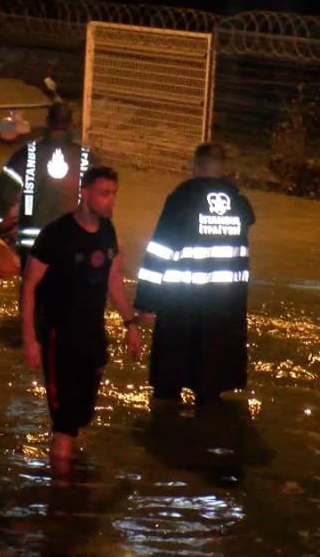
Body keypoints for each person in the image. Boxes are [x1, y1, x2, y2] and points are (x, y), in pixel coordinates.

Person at [21, 166, 143, 477]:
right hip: (59, 337)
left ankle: (70, 479)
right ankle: (61, 500)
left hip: (93, 336)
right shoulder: (56, 234)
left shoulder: (107, 230)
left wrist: (130, 323)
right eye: (104, 193)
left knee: (82, 415)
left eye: (114, 194)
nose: (110, 200)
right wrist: (30, 339)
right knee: (65, 424)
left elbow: (112, 279)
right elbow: (30, 285)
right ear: (84, 193)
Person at [133, 143, 255, 405]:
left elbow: (160, 250)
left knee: (168, 386)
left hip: (181, 306)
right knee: (211, 388)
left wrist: (145, 302)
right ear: (222, 170)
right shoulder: (239, 204)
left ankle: (165, 436)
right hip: (225, 309)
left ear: (195, 166)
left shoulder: (181, 199)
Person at [0, 102, 94, 264]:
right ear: (72, 124)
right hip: (75, 246)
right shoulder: (87, 158)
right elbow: (103, 200)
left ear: (47, 121)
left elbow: (3, 193)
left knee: (33, 288)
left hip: (33, 248)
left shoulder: (27, 153)